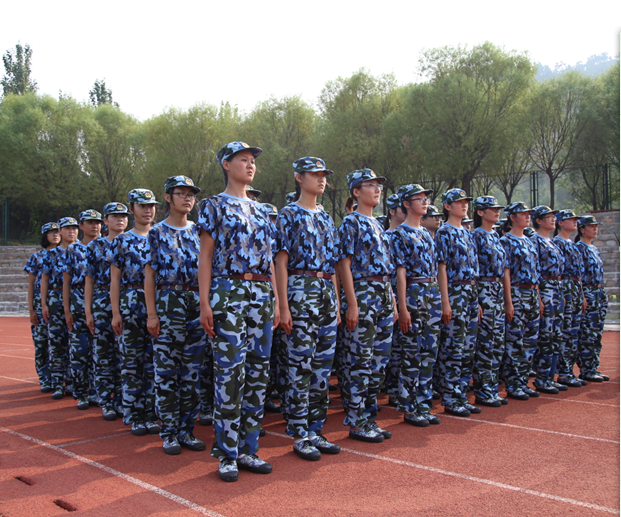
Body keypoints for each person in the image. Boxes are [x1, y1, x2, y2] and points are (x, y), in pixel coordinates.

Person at [198, 141, 279, 482]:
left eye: (252, 161)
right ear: (226, 165)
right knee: (230, 374)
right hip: (227, 291)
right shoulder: (213, 206)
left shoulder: (262, 210)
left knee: (259, 374)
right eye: (243, 160)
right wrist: (205, 302)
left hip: (261, 292)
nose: (250, 165)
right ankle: (227, 453)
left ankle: (248, 449)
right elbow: (205, 256)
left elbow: (269, 259)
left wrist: (276, 299)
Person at [275, 156, 340, 461]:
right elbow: (281, 262)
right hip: (300, 291)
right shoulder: (288, 214)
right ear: (299, 178)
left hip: (325, 292)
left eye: (323, 174)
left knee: (322, 368)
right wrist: (283, 305)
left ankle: (315, 429)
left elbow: (333, 264)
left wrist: (336, 302)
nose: (321, 179)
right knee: (300, 366)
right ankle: (300, 432)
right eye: (315, 174)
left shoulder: (326, 217)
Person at [145, 176, 207, 454]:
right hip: (168, 302)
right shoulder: (157, 233)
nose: (187, 199)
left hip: (196, 302)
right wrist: (152, 314)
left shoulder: (200, 231)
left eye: (190, 194)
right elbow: (150, 275)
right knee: (167, 372)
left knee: (192, 373)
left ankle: (186, 430)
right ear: (168, 197)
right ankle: (169, 432)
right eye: (181, 194)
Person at [338, 168, 397, 443]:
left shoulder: (379, 225)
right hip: (363, 293)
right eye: (370, 185)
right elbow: (344, 264)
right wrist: (351, 303)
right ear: (356, 191)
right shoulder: (351, 223)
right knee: (360, 360)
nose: (377, 190)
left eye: (378, 186)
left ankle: (369, 417)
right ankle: (357, 421)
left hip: (383, 292)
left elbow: (387, 267)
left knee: (379, 362)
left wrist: (392, 300)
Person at [110, 189, 161, 436]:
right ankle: (134, 414)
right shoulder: (122, 241)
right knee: (132, 361)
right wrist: (115, 312)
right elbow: (115, 279)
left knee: (154, 362)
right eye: (142, 206)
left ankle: (151, 413)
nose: (148, 210)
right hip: (131, 303)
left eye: (151, 205)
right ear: (132, 209)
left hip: (158, 303)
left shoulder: (161, 235)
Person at [391, 183, 442, 426]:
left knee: (429, 352)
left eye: (425, 199)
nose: (424, 202)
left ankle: (423, 403)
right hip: (413, 293)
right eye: (419, 199)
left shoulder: (426, 234)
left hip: (431, 293)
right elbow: (400, 273)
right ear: (406, 204)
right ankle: (410, 407)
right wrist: (402, 307)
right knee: (412, 352)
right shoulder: (399, 234)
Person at [435, 189, 480, 417]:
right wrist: (445, 301)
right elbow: (441, 268)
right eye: (459, 202)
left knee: (468, 348)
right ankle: (451, 398)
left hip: (470, 292)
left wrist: (477, 300)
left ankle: (461, 394)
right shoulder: (444, 232)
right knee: (454, 346)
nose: (464, 205)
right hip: (455, 292)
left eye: (466, 202)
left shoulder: (467, 233)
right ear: (447, 206)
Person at [85, 203, 129, 421]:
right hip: (103, 302)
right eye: (114, 216)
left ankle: (122, 400)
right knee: (103, 353)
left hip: (128, 300)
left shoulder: (131, 241)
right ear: (106, 220)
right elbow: (89, 280)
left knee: (125, 354)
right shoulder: (96, 246)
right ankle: (106, 401)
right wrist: (88, 311)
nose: (120, 219)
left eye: (123, 216)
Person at [500, 202, 543, 401]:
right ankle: (513, 384)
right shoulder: (506, 241)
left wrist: (539, 298)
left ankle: (522, 381)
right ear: (512, 217)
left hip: (532, 293)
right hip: (517, 292)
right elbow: (506, 273)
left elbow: (536, 272)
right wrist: (508, 302)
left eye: (528, 214)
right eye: (523, 214)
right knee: (515, 341)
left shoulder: (529, 241)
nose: (527, 217)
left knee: (530, 341)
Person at [62, 209, 102, 410]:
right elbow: (66, 281)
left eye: (97, 222)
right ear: (81, 226)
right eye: (90, 222)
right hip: (78, 304)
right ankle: (81, 393)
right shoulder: (73, 250)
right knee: (79, 352)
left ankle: (97, 392)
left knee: (100, 353)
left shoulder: (104, 245)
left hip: (101, 302)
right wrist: (67, 309)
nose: (94, 226)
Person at [471, 196, 507, 407]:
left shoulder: (495, 235)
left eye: (497, 208)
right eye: (491, 208)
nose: (496, 211)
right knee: (486, 342)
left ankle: (492, 388)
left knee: (497, 343)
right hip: (484, 290)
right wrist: (476, 299)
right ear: (480, 212)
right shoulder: (476, 235)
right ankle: (483, 390)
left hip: (497, 290)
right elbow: (473, 269)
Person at [530, 206, 567, 395]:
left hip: (557, 289)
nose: (553, 219)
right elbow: (534, 270)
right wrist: (538, 297)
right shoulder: (535, 241)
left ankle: (550, 377)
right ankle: (542, 378)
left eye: (554, 216)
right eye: (548, 217)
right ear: (538, 220)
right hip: (545, 289)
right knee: (545, 336)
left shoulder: (552, 242)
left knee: (556, 336)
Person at [41, 217, 79, 399]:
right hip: (56, 299)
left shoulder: (82, 251)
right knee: (56, 342)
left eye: (74, 228)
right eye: (67, 228)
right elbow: (45, 279)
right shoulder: (52, 254)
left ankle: (72, 382)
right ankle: (57, 383)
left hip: (77, 298)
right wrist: (43, 303)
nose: (71, 232)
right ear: (60, 231)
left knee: (75, 343)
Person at [24, 222, 60, 393]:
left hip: (59, 300)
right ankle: (45, 378)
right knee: (41, 342)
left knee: (59, 343)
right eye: (51, 232)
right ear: (44, 236)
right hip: (40, 302)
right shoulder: (36, 257)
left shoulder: (64, 254)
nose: (55, 235)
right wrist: (31, 309)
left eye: (57, 232)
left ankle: (60, 378)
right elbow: (31, 284)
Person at [553, 210, 587, 388]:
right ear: (560, 223)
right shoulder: (557, 243)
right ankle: (564, 372)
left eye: (575, 219)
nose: (575, 222)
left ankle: (570, 370)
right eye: (570, 219)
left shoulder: (572, 244)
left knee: (574, 332)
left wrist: (582, 295)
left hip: (576, 287)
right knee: (565, 332)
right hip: (565, 286)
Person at [575, 216, 609, 382]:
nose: (595, 229)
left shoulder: (594, 248)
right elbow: (579, 275)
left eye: (596, 226)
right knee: (588, 332)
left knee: (597, 332)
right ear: (582, 229)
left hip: (598, 292)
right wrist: (582, 295)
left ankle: (593, 366)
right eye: (591, 226)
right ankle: (586, 368)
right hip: (588, 292)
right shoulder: (579, 248)